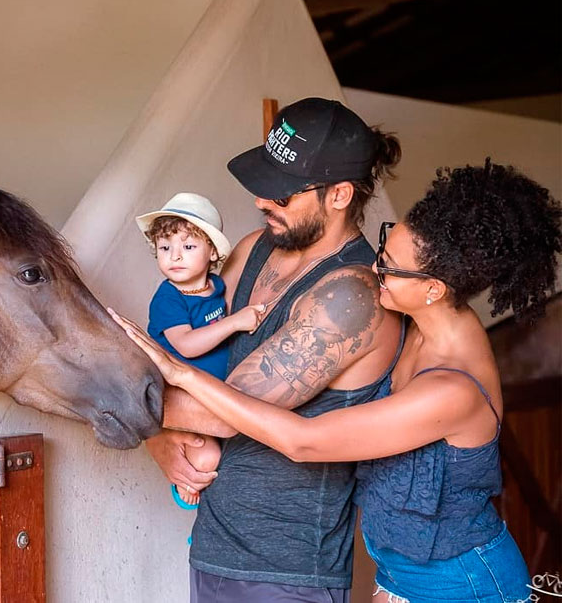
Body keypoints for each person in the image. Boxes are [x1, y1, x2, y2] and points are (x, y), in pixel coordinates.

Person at [118, 160, 562, 603]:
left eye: (390, 267)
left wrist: (181, 376)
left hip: (465, 585)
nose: (374, 267)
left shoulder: (453, 390)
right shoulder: (415, 329)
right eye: (384, 244)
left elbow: (303, 441)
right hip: (396, 576)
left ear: (434, 288)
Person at [134, 97, 403, 602]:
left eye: (281, 193)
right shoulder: (257, 246)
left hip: (285, 572)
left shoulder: (350, 296)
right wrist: (158, 442)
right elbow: (186, 361)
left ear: (340, 194)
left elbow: (223, 413)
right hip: (215, 543)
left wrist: (116, 405)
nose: (262, 201)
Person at [136, 192, 264, 505]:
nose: (174, 257)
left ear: (212, 252)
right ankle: (184, 487)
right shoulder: (168, 298)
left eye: (188, 247)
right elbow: (187, 345)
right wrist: (234, 323)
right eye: (165, 248)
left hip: (215, 393)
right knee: (207, 459)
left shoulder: (215, 286)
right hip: (185, 399)